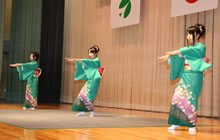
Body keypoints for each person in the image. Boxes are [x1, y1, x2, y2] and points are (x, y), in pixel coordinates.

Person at [158, 24, 212, 132]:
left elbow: (188, 52)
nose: (188, 36)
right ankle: (176, 122)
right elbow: (180, 56)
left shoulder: (201, 47)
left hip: (195, 76)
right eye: (187, 34)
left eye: (190, 34)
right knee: (177, 97)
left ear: (197, 35)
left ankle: (191, 124)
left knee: (191, 98)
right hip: (186, 75)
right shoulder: (188, 49)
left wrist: (176, 52)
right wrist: (170, 56)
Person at [65, 45, 103, 117]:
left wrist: (76, 59)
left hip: (94, 81)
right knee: (82, 94)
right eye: (89, 53)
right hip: (90, 80)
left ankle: (91, 111)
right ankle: (82, 111)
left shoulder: (97, 61)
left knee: (89, 96)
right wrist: (74, 60)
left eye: (91, 53)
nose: (89, 55)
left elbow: (85, 61)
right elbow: (84, 62)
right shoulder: (91, 61)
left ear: (96, 54)